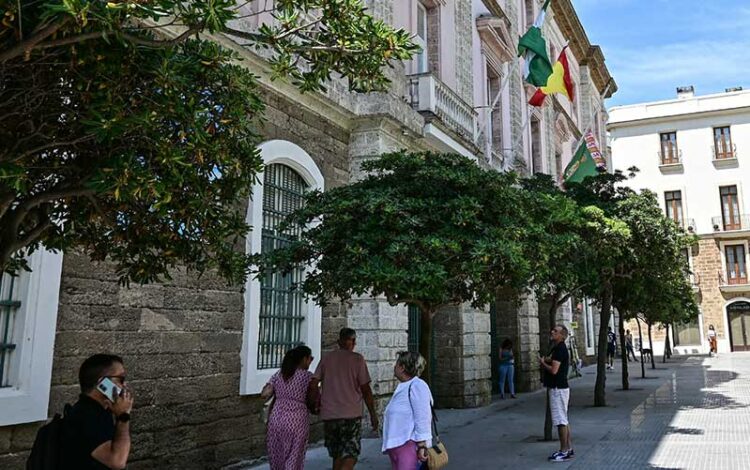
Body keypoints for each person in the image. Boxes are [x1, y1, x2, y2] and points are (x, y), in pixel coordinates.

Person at [314, 328, 378, 470]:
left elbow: (314, 382)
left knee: (336, 454)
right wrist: (373, 413)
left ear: (338, 341)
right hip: (350, 414)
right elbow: (365, 389)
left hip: (330, 415)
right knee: (351, 453)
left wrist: (313, 403)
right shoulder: (357, 359)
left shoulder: (326, 359)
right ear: (353, 341)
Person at [61, 354, 134, 469]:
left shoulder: (97, 410)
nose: (124, 385)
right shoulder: (88, 415)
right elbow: (117, 461)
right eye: (121, 379)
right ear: (103, 383)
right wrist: (123, 416)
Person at [262, 345, 319, 470]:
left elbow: (265, 393)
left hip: (276, 420)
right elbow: (313, 399)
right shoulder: (308, 377)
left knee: (277, 457)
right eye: (311, 358)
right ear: (304, 359)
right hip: (297, 421)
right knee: (294, 457)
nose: (311, 361)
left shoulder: (279, 374)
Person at [382, 351, 433, 470]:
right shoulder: (405, 386)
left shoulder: (417, 386)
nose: (394, 367)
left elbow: (422, 417)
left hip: (409, 444)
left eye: (396, 364)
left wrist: (421, 445)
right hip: (398, 445)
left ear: (402, 367)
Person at [539, 325, 573, 463]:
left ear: (562, 335)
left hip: (558, 389)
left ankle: (563, 450)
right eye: (552, 330)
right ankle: (569, 448)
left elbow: (554, 370)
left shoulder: (560, 349)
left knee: (560, 421)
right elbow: (553, 360)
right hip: (560, 388)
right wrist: (547, 359)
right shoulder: (557, 348)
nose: (552, 332)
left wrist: (542, 363)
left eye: (556, 331)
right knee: (564, 419)